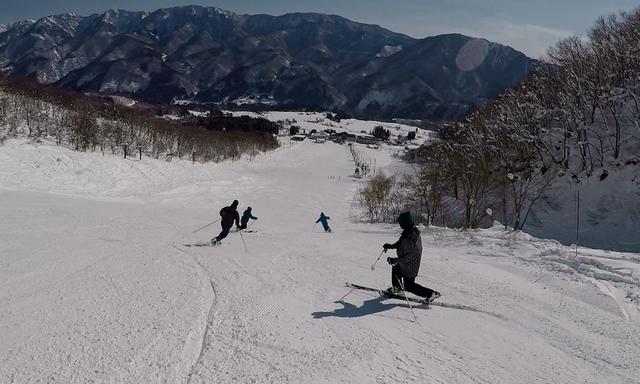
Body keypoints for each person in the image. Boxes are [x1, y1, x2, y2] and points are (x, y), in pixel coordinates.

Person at [383, 212, 440, 303]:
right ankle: (397, 288)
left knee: (409, 286)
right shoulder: (408, 232)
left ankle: (431, 294)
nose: (400, 225)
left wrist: (395, 260)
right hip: (406, 263)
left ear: (405, 223)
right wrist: (390, 246)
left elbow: (408, 257)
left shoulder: (411, 237)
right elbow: (400, 243)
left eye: (401, 223)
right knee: (396, 269)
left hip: (410, 265)